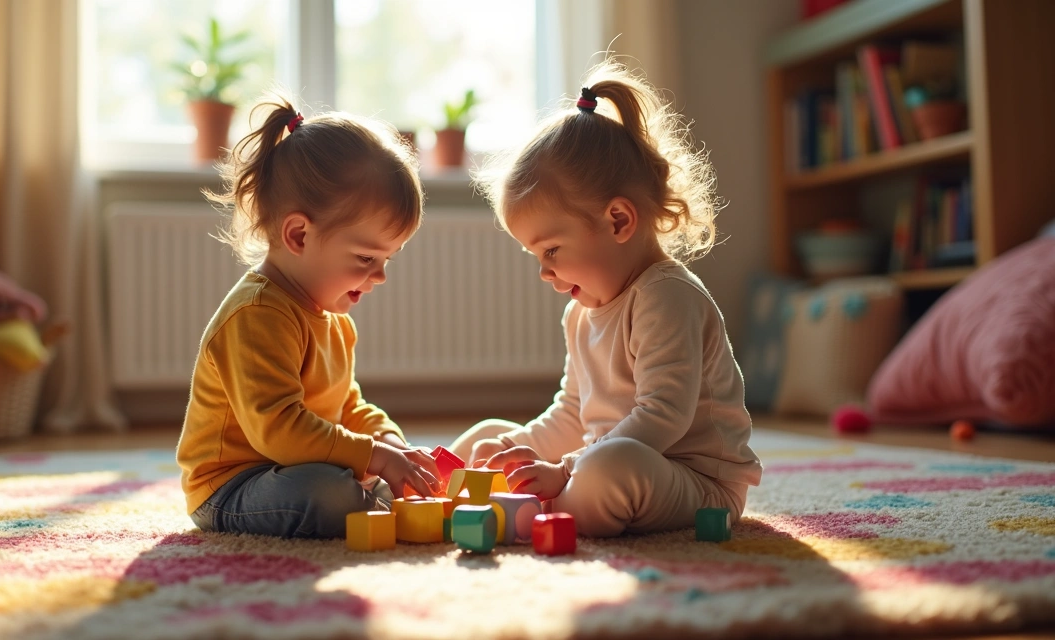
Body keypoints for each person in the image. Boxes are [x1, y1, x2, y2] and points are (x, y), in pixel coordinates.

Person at [451, 60, 762, 538]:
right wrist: (514, 447)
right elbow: (574, 412)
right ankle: (462, 490)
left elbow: (662, 417)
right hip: (607, 459)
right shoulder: (580, 312)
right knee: (489, 438)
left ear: (618, 221)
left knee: (608, 469)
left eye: (551, 250)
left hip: (699, 484)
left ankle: (540, 509)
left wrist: (568, 469)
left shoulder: (665, 296)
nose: (543, 271)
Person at [178, 91, 440, 538]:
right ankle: (370, 500)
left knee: (353, 480)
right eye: (364, 258)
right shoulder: (257, 314)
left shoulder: (334, 318)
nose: (379, 276)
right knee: (329, 491)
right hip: (232, 486)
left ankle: (377, 497)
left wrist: (389, 440)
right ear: (298, 234)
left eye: (387, 260)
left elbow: (347, 405)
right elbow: (278, 431)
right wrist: (373, 458)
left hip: (287, 470)